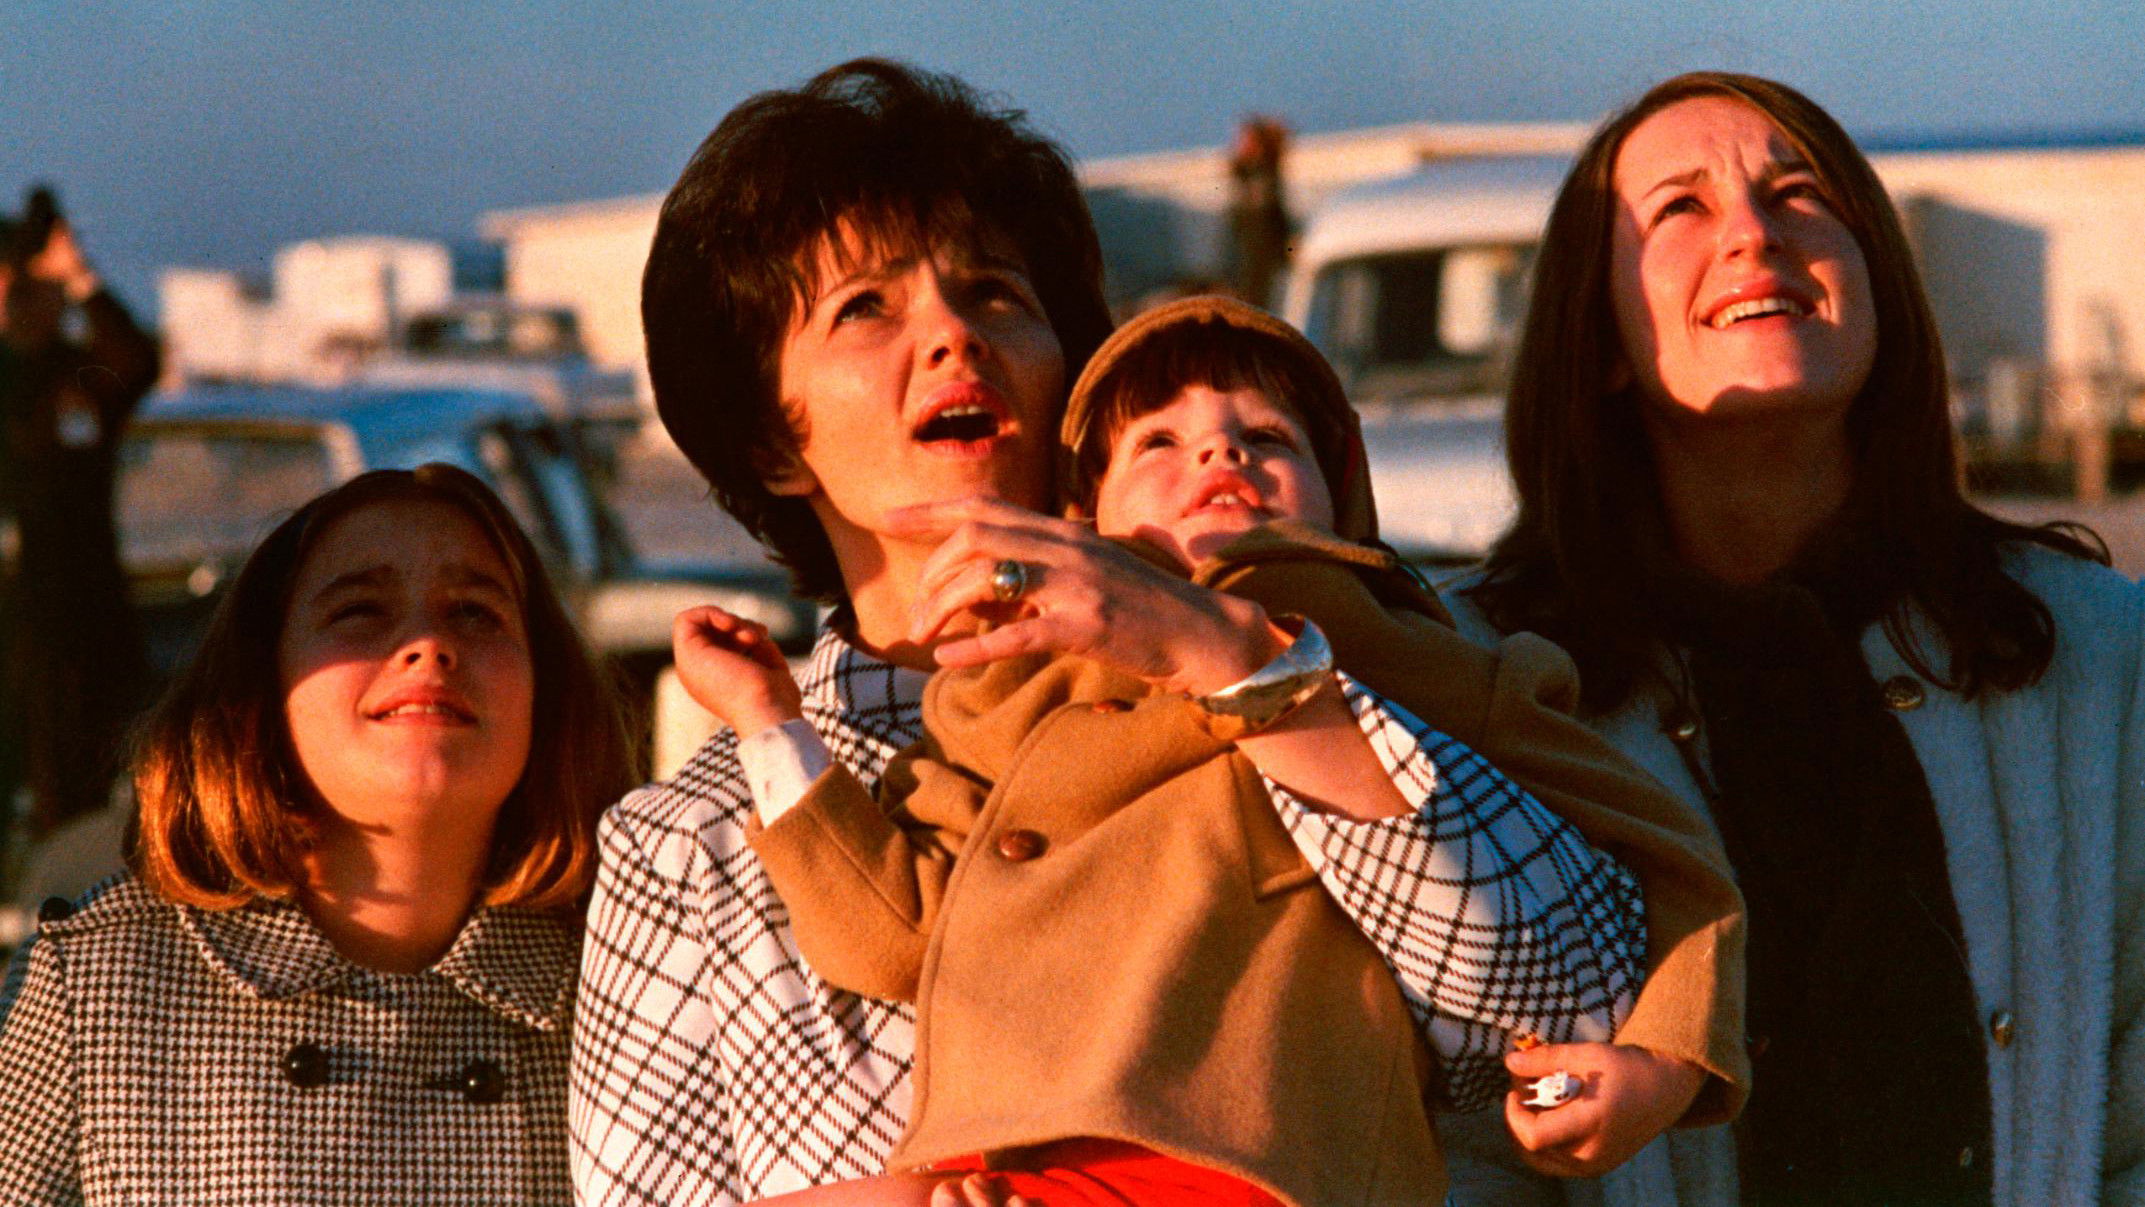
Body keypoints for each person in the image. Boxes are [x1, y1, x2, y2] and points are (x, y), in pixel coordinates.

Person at [574, 59, 1654, 1206]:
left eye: (995, 292)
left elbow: (1584, 1003)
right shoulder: (691, 844)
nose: (953, 335)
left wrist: (1230, 664)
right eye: (866, 308)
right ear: (771, 441)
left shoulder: (1314, 671)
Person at [670, 294, 1748, 1205]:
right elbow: (891, 936)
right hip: (1004, 1171)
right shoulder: (1006, 698)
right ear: (1081, 514)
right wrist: (770, 726)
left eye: (1269, 438)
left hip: (1258, 1162)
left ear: (1343, 497)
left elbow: (1670, 856)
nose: (1222, 452)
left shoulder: (1408, 654)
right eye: (1158, 443)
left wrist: (1667, 1063)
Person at [1440, 71, 2145, 1206]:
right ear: (1599, 333)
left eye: (1799, 193)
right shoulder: (1479, 683)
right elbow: (1449, 1133)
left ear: (1878, 284)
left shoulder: (2098, 650)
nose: (1754, 234)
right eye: (1681, 206)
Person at [0, 464, 634, 1203]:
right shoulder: (100, 981)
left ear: (544, 691)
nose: (429, 644)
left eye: (475, 612)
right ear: (263, 685)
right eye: (361, 610)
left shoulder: (629, 983)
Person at [0, 189, 159, 837]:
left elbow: (137, 360)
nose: (18, 303)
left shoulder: (78, 376)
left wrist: (79, 275)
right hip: (10, 618)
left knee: (75, 798)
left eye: (31, 288)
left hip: (74, 619)